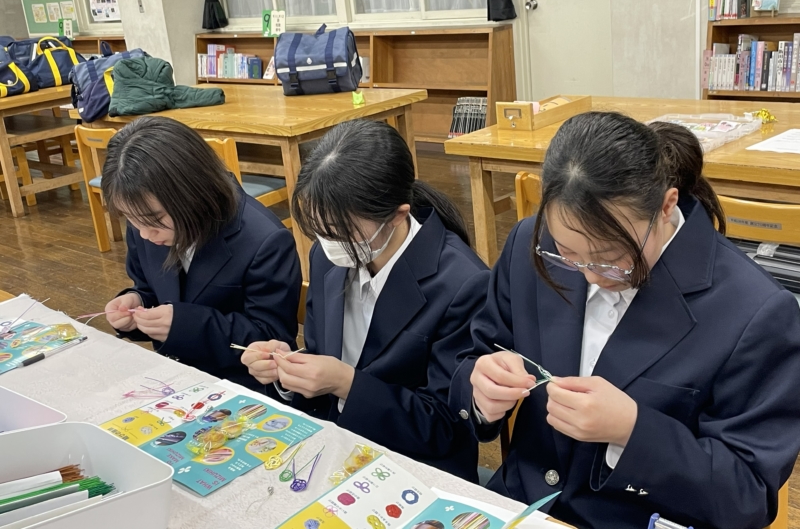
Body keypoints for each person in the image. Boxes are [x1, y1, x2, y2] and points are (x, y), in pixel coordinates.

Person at [451, 113, 800, 529]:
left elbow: (747, 497)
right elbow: (473, 356)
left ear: (666, 206)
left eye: (613, 258)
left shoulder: (754, 312)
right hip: (520, 507)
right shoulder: (532, 244)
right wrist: (481, 393)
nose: (590, 277)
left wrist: (632, 432)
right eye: (568, 254)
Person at [241, 119, 488, 481]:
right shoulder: (329, 255)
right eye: (319, 230)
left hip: (415, 468)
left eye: (339, 231)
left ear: (398, 215)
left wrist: (346, 383)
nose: (328, 243)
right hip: (335, 448)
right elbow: (325, 356)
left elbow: (445, 427)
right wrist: (287, 369)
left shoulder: (462, 283)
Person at [102, 117, 301, 393]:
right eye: (130, 219)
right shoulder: (144, 222)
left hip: (240, 388)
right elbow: (150, 289)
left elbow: (271, 340)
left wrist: (183, 325)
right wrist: (136, 305)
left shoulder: (264, 241)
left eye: (154, 220)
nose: (144, 233)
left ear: (192, 193)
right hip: (173, 379)